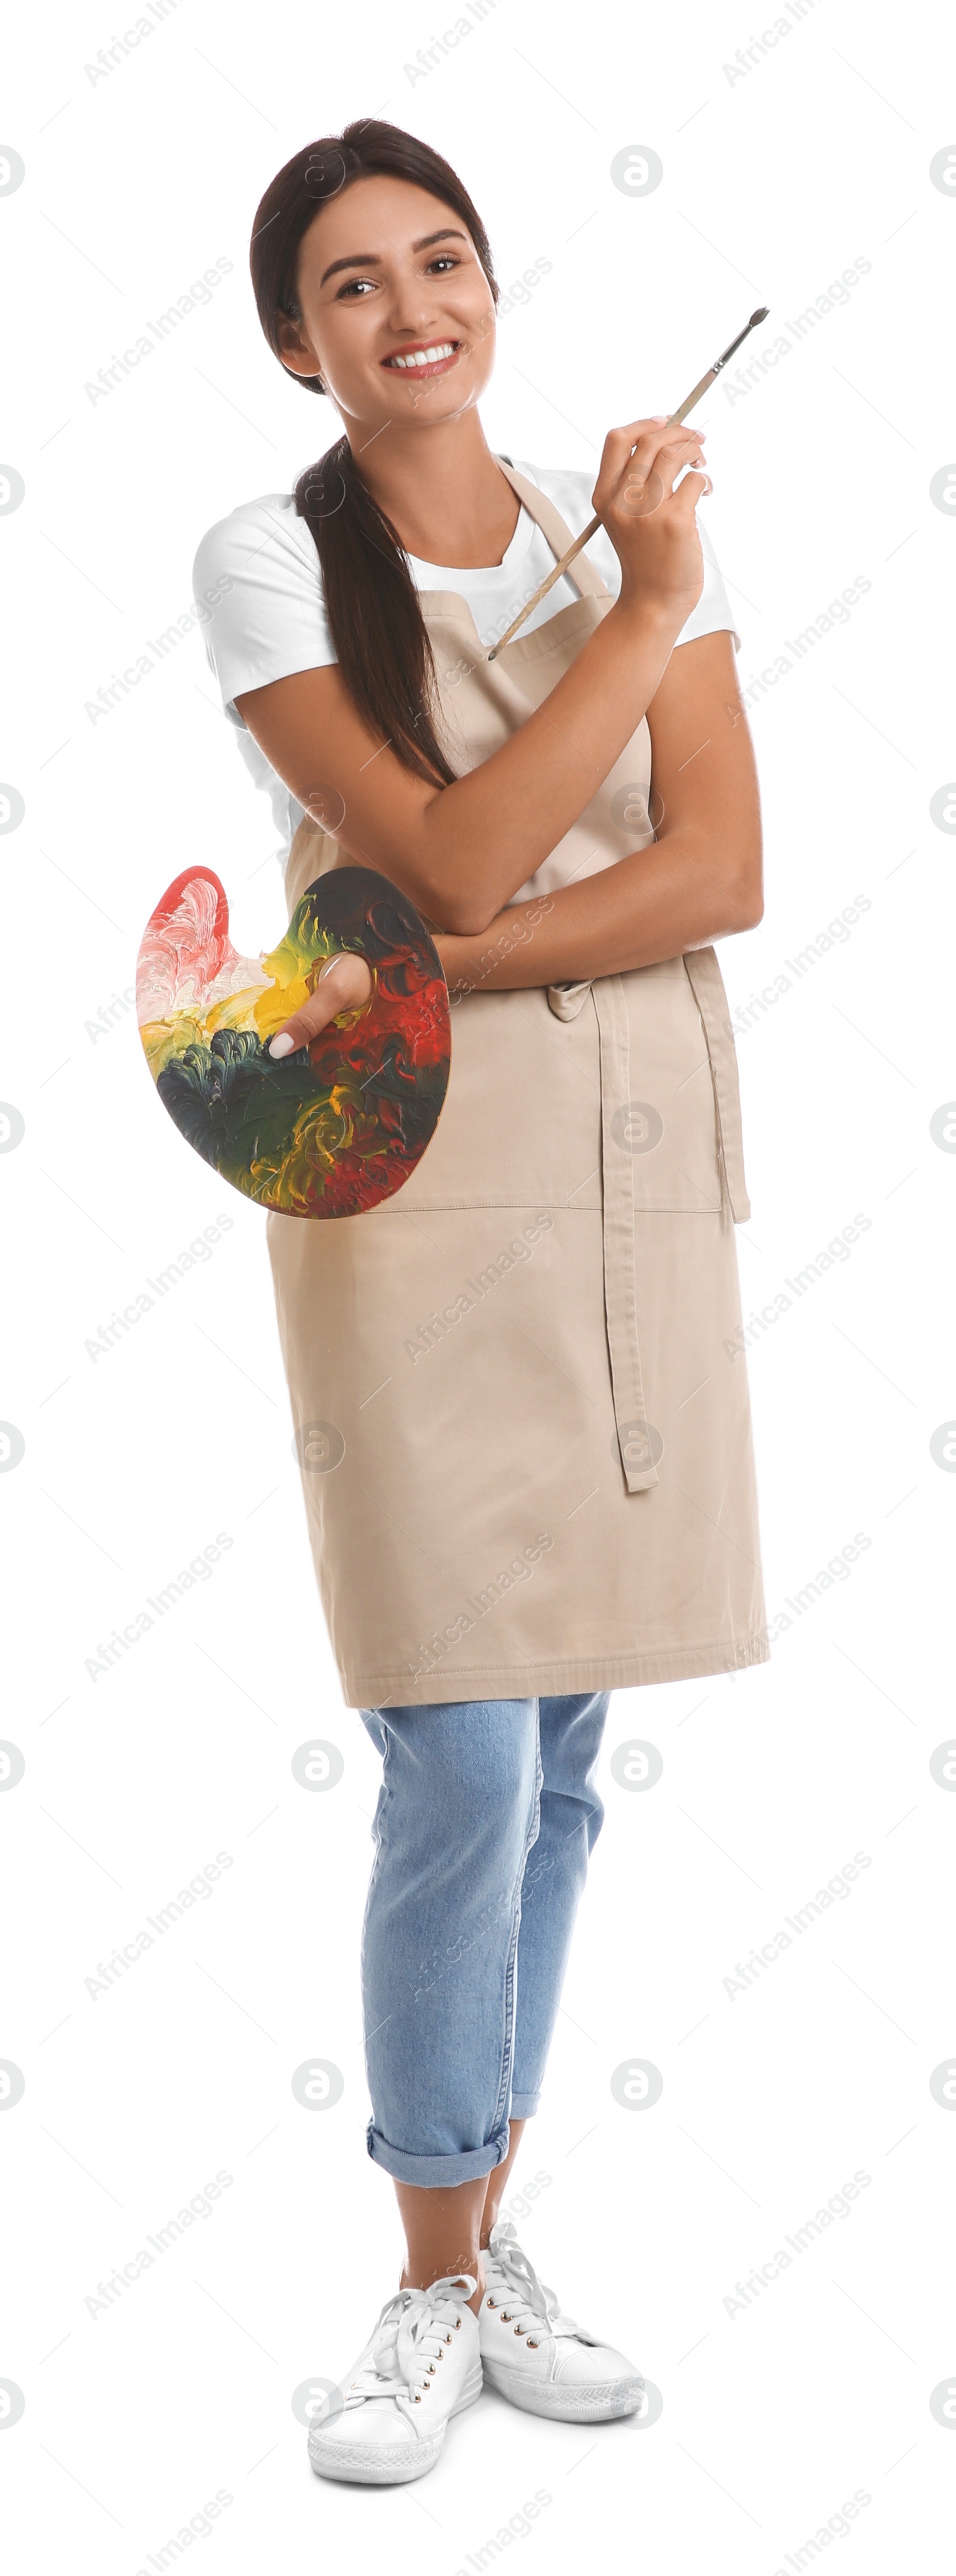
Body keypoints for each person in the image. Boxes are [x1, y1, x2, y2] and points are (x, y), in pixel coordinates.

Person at [193, 118, 767, 2488]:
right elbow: (429, 845)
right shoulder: (267, 560)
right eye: (351, 284)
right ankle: (431, 2283)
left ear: (492, 287)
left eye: (443, 260)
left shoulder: (590, 518)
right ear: (295, 337)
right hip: (402, 1177)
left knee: (556, 1760)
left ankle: (479, 2239)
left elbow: (720, 863)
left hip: (623, 1171)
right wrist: (635, 614)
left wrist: (453, 963)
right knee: (448, 1744)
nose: (410, 307)